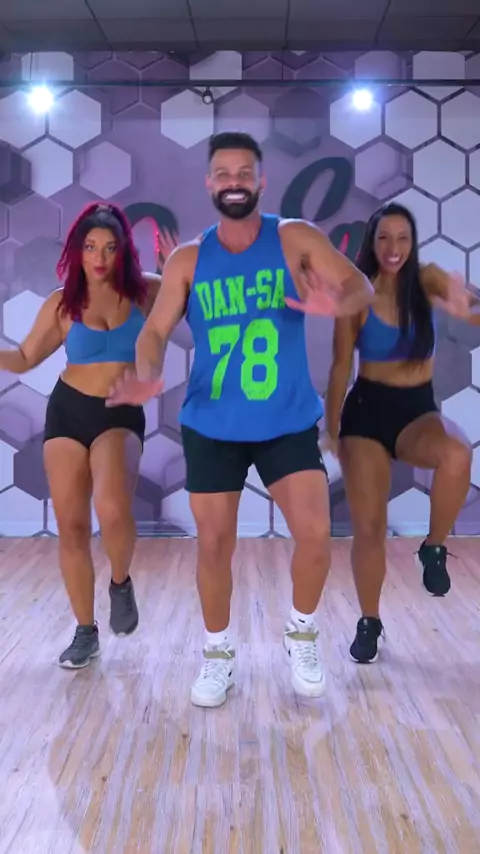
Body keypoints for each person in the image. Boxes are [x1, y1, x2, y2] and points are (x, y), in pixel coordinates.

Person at [107, 130, 374, 707]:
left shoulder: (294, 237)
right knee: (213, 545)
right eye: (224, 174)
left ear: (261, 181)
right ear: (210, 184)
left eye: (244, 173)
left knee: (315, 535)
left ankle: (301, 635)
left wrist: (335, 302)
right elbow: (154, 333)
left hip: (285, 419)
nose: (234, 183)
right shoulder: (188, 259)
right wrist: (148, 374)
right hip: (213, 425)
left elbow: (360, 286)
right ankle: (218, 654)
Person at [0, 202, 161, 668]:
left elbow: (189, 296)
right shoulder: (63, 302)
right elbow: (25, 357)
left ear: (123, 251)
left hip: (119, 413)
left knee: (112, 508)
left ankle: (120, 582)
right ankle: (85, 632)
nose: (99, 257)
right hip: (68, 412)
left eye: (109, 248)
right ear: (78, 250)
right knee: (70, 525)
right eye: (91, 247)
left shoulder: (146, 291)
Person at [323, 202, 473, 665]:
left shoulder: (426, 280)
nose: (394, 247)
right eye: (384, 237)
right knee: (370, 529)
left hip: (416, 411)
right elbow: (340, 366)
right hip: (367, 414)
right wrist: (331, 429)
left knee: (457, 454)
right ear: (372, 242)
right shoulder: (357, 293)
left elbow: (470, 307)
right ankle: (369, 622)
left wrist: (464, 307)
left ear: (413, 242)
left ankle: (433, 548)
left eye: (402, 238)